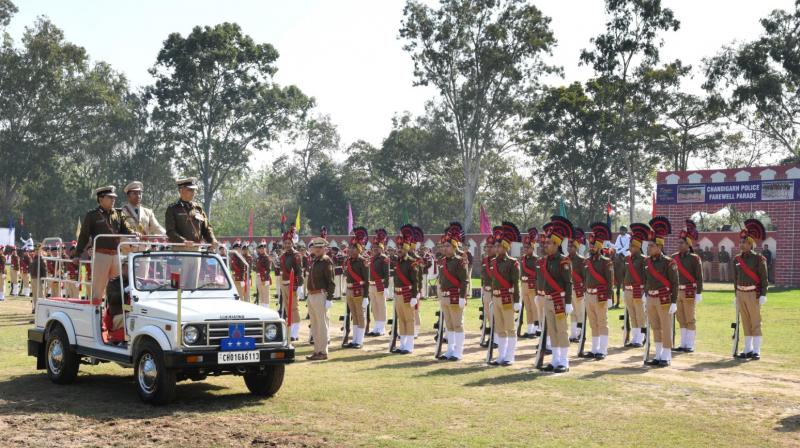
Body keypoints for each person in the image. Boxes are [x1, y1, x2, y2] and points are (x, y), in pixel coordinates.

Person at [73, 186, 138, 304]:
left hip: (116, 255)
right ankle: (96, 317)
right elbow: (83, 236)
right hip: (100, 255)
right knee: (98, 289)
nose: (113, 200)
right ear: (101, 199)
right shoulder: (92, 215)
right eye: (110, 198)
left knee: (116, 288)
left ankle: (112, 316)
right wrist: (77, 254)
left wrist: (134, 233)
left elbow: (126, 228)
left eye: (114, 198)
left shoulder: (118, 213)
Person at [164, 177, 219, 288]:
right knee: (178, 286)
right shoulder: (173, 208)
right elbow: (170, 231)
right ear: (181, 190)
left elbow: (207, 228)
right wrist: (183, 241)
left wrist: (212, 240)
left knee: (192, 286)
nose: (193, 192)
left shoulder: (198, 209)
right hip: (180, 251)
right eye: (190, 190)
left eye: (194, 190)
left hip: (196, 251)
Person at [539, 216, 574, 373]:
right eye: (545, 243)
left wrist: (568, 302)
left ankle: (564, 361)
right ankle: (554, 359)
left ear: (556, 244)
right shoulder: (546, 261)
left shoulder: (563, 261)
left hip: (559, 300)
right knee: (552, 331)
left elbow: (568, 283)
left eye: (548, 243)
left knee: (561, 330)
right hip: (547, 300)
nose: (545, 245)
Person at [644, 216, 679, 367]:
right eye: (648, 245)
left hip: (664, 299)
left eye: (651, 245)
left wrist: (674, 301)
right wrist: (646, 294)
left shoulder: (669, 262)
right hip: (651, 298)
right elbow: (646, 280)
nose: (648, 248)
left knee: (665, 327)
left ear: (659, 246)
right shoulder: (647, 262)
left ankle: (666, 355)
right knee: (655, 327)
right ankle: (658, 355)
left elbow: (675, 283)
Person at [734, 219, 769, 360]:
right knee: (745, 322)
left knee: (755, 321)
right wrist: (735, 295)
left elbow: (764, 278)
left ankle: (756, 350)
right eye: (740, 242)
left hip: (753, 293)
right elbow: (735, 279)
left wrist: (763, 295)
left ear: (750, 244)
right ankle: (747, 349)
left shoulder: (759, 259)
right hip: (740, 293)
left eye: (744, 242)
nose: (741, 244)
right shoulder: (736, 258)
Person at [488, 221, 522, 366]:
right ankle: (501, 355)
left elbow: (516, 283)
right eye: (496, 246)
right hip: (496, 298)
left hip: (507, 298)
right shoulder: (493, 262)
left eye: (499, 246)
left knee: (510, 328)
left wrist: (517, 301)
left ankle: (510, 356)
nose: (497, 248)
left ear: (506, 247)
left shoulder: (513, 263)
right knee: (500, 328)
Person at [437, 222, 468, 361]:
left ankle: (458, 352)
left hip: (455, 297)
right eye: (444, 246)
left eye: (448, 246)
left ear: (455, 246)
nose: (445, 248)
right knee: (448, 325)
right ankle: (450, 350)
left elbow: (464, 281)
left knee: (457, 324)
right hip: (444, 297)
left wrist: (462, 297)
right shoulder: (442, 261)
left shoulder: (460, 261)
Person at [582, 222, 614, 360]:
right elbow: (585, 278)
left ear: (599, 246)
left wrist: (609, 297)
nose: (591, 247)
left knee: (602, 323)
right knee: (593, 323)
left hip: (600, 295)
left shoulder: (606, 262)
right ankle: (594, 349)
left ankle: (603, 349)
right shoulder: (587, 261)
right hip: (589, 295)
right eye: (590, 245)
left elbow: (610, 281)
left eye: (593, 245)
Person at [672, 219, 704, 353]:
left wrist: (699, 293)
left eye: (681, 243)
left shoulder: (694, 258)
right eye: (678, 242)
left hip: (689, 291)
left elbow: (699, 277)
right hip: (677, 291)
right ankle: (683, 343)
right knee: (680, 318)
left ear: (688, 244)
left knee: (689, 318)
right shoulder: (674, 257)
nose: (679, 244)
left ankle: (690, 344)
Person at [306, 237, 336, 361]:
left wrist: (329, 298)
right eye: (316, 247)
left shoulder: (326, 261)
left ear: (324, 248)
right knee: (314, 324)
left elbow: (331, 282)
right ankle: (317, 350)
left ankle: (323, 351)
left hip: (320, 294)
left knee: (322, 325)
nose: (317, 249)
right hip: (312, 295)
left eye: (320, 247)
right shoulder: (315, 260)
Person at [392, 225, 419, 354]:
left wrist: (414, 296)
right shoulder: (397, 262)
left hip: (407, 294)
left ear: (406, 248)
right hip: (398, 294)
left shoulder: (412, 262)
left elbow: (415, 281)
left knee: (409, 319)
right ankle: (402, 344)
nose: (399, 250)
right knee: (401, 320)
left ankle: (409, 346)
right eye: (398, 247)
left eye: (401, 247)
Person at [344, 227, 370, 349]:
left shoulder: (363, 261)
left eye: (354, 248)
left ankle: (359, 340)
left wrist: (366, 296)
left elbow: (366, 280)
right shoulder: (349, 261)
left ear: (359, 249)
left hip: (359, 291)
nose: (351, 249)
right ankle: (354, 339)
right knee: (354, 315)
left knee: (360, 315)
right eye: (351, 247)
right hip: (349, 290)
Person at [623, 224, 649, 348]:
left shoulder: (644, 259)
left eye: (632, 245)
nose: (630, 247)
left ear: (638, 247)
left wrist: (645, 292)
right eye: (630, 245)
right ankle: (634, 338)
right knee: (632, 315)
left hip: (639, 290)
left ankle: (641, 338)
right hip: (628, 290)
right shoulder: (628, 259)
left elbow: (646, 277)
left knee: (640, 315)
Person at [278, 225, 304, 341]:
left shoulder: (296, 255)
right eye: (286, 243)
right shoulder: (283, 256)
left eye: (289, 243)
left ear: (293, 243)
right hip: (284, 284)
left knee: (294, 308)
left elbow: (299, 271)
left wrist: (299, 285)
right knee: (287, 308)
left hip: (292, 284)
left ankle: (295, 332)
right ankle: (290, 328)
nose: (287, 245)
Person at [367, 229, 390, 337]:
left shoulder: (384, 259)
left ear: (381, 248)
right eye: (373, 248)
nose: (374, 250)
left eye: (377, 248)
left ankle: (381, 327)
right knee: (374, 306)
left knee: (381, 306)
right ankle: (376, 325)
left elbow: (386, 274)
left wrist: (386, 287)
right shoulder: (371, 259)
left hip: (380, 285)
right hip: (371, 285)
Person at [520, 227, 540, 339]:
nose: (525, 249)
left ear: (532, 248)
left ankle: (536, 328)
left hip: (533, 286)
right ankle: (529, 329)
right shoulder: (522, 259)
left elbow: (537, 275)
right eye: (524, 247)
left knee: (534, 307)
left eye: (527, 247)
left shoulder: (536, 259)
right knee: (528, 307)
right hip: (524, 284)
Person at [568, 228, 586, 343]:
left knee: (580, 312)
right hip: (570, 289)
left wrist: (583, 289)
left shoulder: (581, 260)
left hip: (578, 289)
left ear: (576, 247)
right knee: (572, 312)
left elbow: (585, 277)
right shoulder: (565, 259)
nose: (569, 248)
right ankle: (573, 333)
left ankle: (580, 333)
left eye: (571, 247)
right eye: (568, 246)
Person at [479, 235, 496, 348]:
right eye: (486, 246)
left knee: (497, 316)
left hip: (497, 292)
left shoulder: (499, 260)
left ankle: (497, 338)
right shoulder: (484, 260)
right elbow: (483, 276)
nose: (488, 249)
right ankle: (492, 336)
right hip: (486, 291)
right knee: (489, 316)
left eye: (491, 246)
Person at [29, 244, 49, 311]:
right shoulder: (35, 258)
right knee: (34, 295)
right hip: (33, 277)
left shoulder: (41, 258)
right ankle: (36, 307)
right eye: (36, 250)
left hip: (38, 278)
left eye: (38, 250)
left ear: (41, 251)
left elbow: (44, 270)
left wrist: (44, 281)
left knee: (40, 295)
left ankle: (42, 309)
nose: (36, 251)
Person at [255, 240, 272, 307]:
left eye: (263, 248)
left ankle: (266, 307)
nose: (261, 250)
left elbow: (268, 269)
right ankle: (262, 306)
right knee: (261, 293)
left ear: (265, 249)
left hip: (264, 277)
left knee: (265, 293)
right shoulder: (258, 258)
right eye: (260, 248)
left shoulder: (266, 257)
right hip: (258, 276)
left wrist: (265, 278)